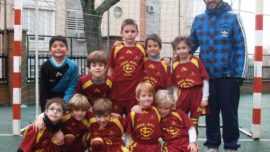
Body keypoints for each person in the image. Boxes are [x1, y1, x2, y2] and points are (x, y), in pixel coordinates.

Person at [190, 0, 247, 151]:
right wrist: (174, 58)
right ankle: (212, 144)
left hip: (229, 77)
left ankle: (230, 145)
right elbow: (189, 46)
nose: (209, 1)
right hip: (207, 78)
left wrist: (239, 74)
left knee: (229, 114)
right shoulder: (199, 19)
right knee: (211, 114)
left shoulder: (233, 17)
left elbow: (241, 46)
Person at [108, 18, 146, 115]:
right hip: (117, 93)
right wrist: (108, 85)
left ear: (137, 33)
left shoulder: (141, 48)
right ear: (121, 33)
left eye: (132, 31)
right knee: (116, 120)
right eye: (127, 31)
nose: (130, 34)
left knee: (133, 120)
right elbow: (111, 68)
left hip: (134, 93)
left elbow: (148, 66)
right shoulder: (116, 48)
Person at [171, 36, 209, 130]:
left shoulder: (196, 61)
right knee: (179, 119)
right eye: (178, 49)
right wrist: (175, 99)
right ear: (175, 51)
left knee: (193, 121)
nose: (181, 51)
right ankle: (181, 142)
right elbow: (175, 84)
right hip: (182, 94)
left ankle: (193, 142)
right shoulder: (174, 64)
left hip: (196, 93)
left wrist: (205, 98)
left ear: (189, 48)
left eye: (184, 48)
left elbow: (205, 80)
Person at [40, 35, 79, 112]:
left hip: (66, 97)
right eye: (55, 46)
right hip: (49, 97)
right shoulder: (45, 66)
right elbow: (43, 89)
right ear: (50, 50)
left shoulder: (73, 66)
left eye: (61, 46)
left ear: (67, 49)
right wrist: (46, 106)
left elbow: (72, 86)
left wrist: (65, 103)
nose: (58, 48)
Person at [126, 82, 161, 152]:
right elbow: (128, 133)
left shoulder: (156, 110)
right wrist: (127, 146)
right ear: (137, 97)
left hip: (154, 146)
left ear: (153, 97)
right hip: (138, 146)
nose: (147, 98)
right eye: (143, 96)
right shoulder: (133, 113)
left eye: (150, 95)